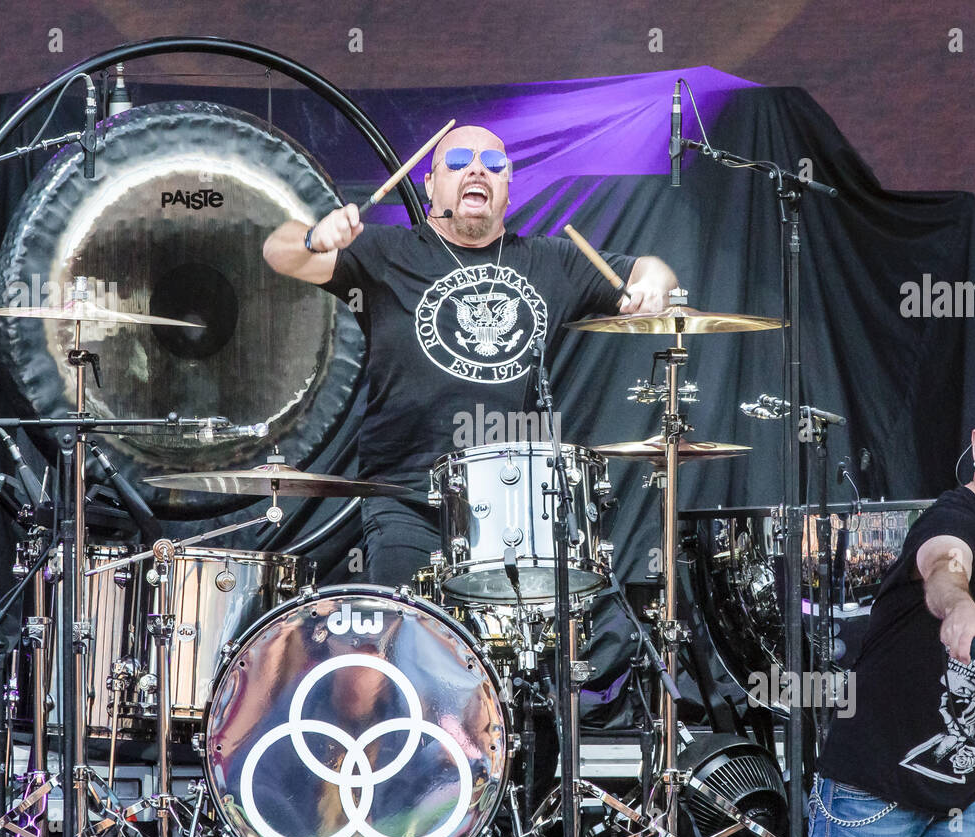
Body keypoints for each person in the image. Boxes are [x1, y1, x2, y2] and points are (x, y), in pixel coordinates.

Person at [264, 124, 678, 585]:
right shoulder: (386, 252)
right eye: (459, 161)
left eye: (493, 164)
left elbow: (653, 268)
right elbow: (277, 252)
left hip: (517, 500)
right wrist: (312, 239)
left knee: (512, 653)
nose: (477, 168)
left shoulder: (552, 261)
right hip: (406, 498)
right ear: (429, 184)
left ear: (506, 185)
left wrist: (651, 288)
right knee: (414, 643)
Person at [810, 385, 975, 837]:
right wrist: (959, 608)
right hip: (874, 786)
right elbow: (946, 565)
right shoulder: (950, 518)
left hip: (966, 796)